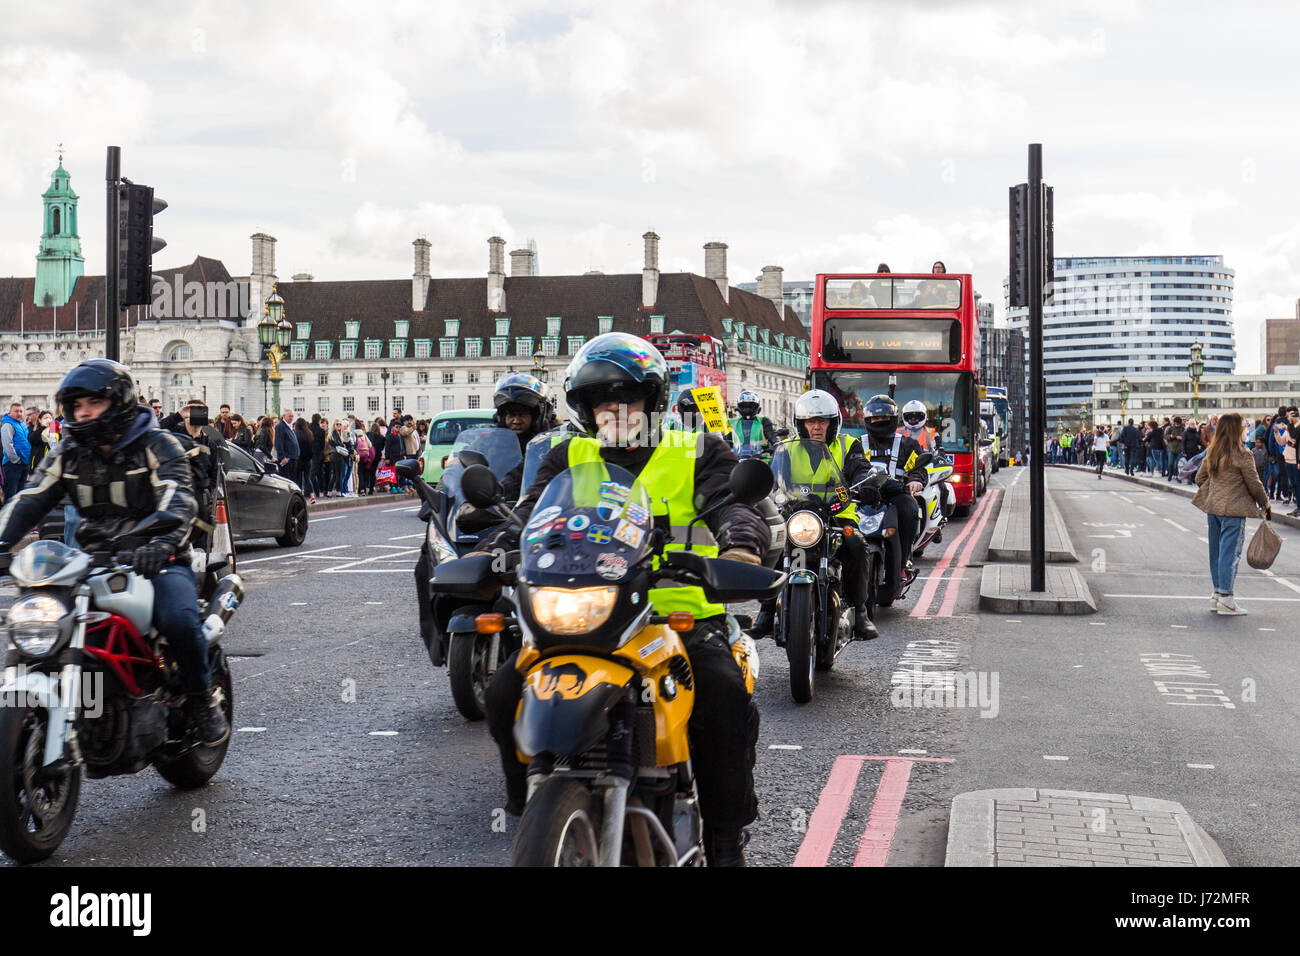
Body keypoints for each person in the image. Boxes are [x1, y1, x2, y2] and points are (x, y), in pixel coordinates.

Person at [480, 332, 768, 866]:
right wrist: (494, 552)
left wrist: (742, 544)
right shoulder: (567, 455)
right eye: (601, 400)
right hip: (580, 609)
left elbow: (736, 504)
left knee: (722, 693)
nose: (615, 410)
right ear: (585, 408)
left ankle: (726, 839)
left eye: (627, 398)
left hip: (674, 612)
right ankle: (531, 809)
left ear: (652, 402)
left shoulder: (697, 448)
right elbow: (526, 515)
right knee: (503, 692)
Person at [0, 360, 228, 743]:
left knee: (177, 619)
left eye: (93, 403)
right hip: (92, 561)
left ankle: (201, 701)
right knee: (44, 624)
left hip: (158, 557)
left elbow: (178, 499)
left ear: (118, 402)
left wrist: (160, 543)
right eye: (76, 406)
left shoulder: (157, 445)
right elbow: (28, 499)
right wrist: (3, 540)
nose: (83, 412)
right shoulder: (68, 454)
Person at [760, 388, 879, 641]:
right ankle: (767, 609)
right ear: (801, 424)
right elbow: (773, 478)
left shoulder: (848, 445)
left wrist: (866, 483)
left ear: (832, 423)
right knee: (771, 541)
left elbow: (860, 468)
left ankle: (859, 611)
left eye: (822, 421)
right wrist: (762, 490)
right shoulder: (788, 449)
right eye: (811, 421)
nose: (816, 427)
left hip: (837, 514)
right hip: (796, 514)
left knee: (856, 544)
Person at [1193, 412, 1270, 616]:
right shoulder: (1242, 453)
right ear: (1237, 429)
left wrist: (1216, 491)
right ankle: (1227, 599)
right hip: (1234, 510)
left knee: (1216, 553)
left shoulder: (1213, 451)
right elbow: (1254, 483)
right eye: (1243, 426)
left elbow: (1199, 478)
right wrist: (1265, 502)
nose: (1245, 428)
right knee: (1230, 553)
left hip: (1213, 509)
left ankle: (1218, 594)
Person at [858, 394, 927, 591]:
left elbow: (919, 468)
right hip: (864, 497)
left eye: (884, 418)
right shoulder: (856, 444)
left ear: (893, 419)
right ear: (868, 420)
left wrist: (915, 481)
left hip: (895, 495)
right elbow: (846, 469)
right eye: (875, 418)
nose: (879, 421)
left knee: (909, 508)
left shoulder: (908, 444)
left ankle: (902, 561)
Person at [730, 389, 776, 454]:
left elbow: (771, 434)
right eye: (744, 406)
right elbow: (722, 438)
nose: (747, 409)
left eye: (751, 406)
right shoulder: (731, 422)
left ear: (757, 407)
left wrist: (775, 443)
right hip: (737, 458)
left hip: (761, 459)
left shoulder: (763, 421)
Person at [2, 401, 31, 501]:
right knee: (11, 495)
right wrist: (16, 460)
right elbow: (7, 445)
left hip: (24, 463)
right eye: (16, 411)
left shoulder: (22, 424)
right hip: (12, 465)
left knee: (20, 495)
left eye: (21, 411)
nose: (19, 413)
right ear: (10, 412)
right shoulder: (8, 425)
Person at [275, 410, 301, 488]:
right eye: (289, 416)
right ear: (284, 416)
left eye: (292, 416)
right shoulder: (280, 427)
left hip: (293, 457)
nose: (291, 418)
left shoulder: (290, 426)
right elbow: (279, 443)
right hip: (287, 459)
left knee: (293, 479)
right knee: (287, 480)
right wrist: (282, 457)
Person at [294, 416, 316, 497]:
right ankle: (311, 494)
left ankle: (299, 494)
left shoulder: (295, 433)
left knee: (298, 477)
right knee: (307, 478)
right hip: (308, 459)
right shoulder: (309, 433)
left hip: (299, 458)